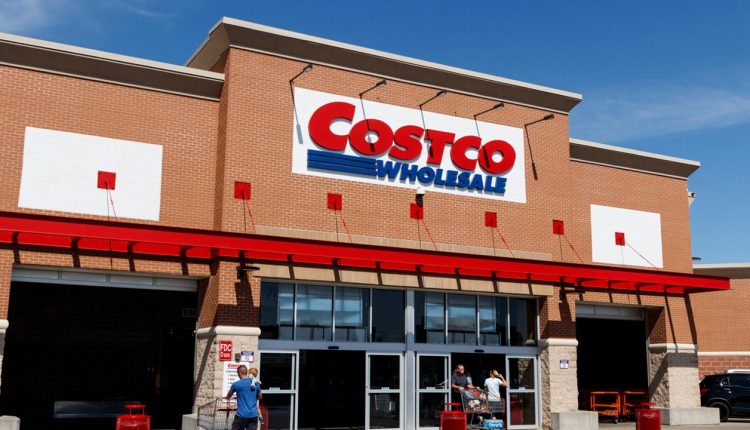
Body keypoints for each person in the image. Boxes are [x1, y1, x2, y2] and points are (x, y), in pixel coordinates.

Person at [226, 365, 262, 430]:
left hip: (241, 415)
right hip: (253, 415)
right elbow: (259, 397)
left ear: (239, 373)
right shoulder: (256, 383)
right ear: (246, 372)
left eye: (237, 373)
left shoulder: (236, 384)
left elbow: (229, 395)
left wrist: (227, 397)